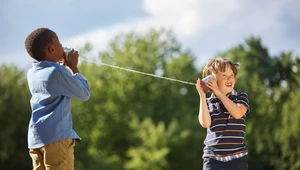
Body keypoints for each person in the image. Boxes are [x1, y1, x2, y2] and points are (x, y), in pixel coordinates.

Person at [25, 27, 90, 170]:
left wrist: (60, 67)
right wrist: (74, 68)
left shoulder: (32, 73)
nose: (62, 46)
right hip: (56, 141)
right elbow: (84, 93)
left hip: (36, 141)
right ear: (51, 49)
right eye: (59, 43)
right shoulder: (56, 72)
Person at [195, 58, 250, 170]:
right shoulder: (208, 103)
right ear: (211, 81)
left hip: (237, 158)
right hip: (212, 159)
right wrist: (202, 95)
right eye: (224, 76)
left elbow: (237, 113)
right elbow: (205, 123)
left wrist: (220, 94)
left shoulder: (241, 97)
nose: (229, 78)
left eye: (232, 75)